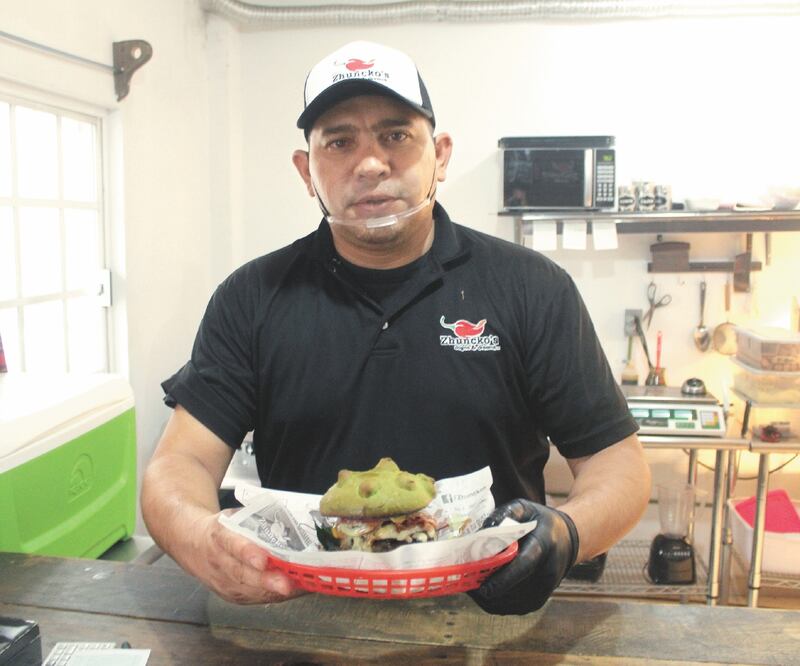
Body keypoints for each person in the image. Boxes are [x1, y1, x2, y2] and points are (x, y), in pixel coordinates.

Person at [141, 40, 651, 614]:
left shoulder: (532, 288)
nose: (370, 164)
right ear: (307, 171)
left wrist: (567, 532)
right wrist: (198, 536)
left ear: (441, 154)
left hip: (492, 615)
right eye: (339, 141)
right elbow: (178, 464)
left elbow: (617, 463)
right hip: (300, 619)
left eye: (395, 136)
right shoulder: (252, 298)